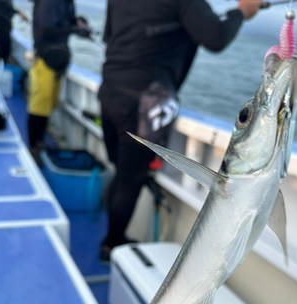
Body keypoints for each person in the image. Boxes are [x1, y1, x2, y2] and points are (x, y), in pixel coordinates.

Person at [98, 0, 262, 264]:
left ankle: (110, 238)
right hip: (145, 101)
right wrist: (242, 11)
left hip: (109, 92)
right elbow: (216, 37)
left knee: (121, 172)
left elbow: (112, 36)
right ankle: (111, 246)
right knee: (131, 180)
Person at [27, 0, 91, 157]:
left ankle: (39, 142)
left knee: (48, 104)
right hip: (45, 59)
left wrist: (77, 22)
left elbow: (63, 22)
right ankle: (33, 146)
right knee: (39, 105)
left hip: (58, 60)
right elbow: (45, 31)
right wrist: (74, 29)